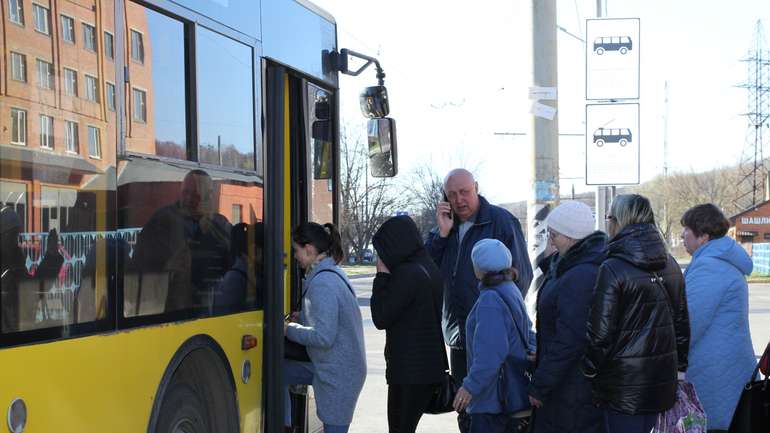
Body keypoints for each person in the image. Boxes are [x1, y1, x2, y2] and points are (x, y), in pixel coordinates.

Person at [425, 168, 531, 433]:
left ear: (477, 188)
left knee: (495, 409)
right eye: (452, 194)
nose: (460, 200)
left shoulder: (501, 221)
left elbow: (522, 276)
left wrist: (496, 315)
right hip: (460, 336)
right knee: (466, 410)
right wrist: (442, 235)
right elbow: (427, 272)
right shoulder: (445, 228)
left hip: (492, 335)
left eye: (465, 192)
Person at [582, 194, 690, 433]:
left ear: (618, 221)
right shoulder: (671, 264)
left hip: (623, 387)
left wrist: (589, 371)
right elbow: (681, 323)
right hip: (662, 382)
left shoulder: (612, 268)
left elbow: (600, 335)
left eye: (609, 217)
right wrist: (680, 368)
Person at [528, 201, 605, 433]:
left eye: (554, 235)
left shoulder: (580, 275)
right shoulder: (571, 266)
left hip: (572, 390)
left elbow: (570, 340)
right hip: (567, 385)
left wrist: (540, 385)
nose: (550, 240)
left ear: (571, 237)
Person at [284, 222, 366, 433]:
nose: (294, 256)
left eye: (296, 250)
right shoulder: (332, 273)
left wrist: (288, 329)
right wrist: (302, 317)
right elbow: (330, 316)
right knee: (278, 371)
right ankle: (284, 425)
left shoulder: (323, 283)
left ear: (309, 249)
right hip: (338, 366)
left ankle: (284, 425)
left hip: (338, 373)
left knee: (335, 428)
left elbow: (323, 337)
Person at [680, 204, 755, 433]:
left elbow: (689, 326)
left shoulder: (709, 267)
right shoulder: (719, 261)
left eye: (687, 230)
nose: (683, 235)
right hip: (726, 369)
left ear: (703, 236)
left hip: (715, 376)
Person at [370, 215, 446, 433]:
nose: (382, 255)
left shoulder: (406, 274)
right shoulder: (428, 267)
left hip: (409, 371)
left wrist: (381, 277)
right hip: (429, 368)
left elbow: (380, 317)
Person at [452, 238, 533, 433]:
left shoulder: (490, 299)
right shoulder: (510, 289)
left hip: (493, 401)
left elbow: (490, 355)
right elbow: (527, 332)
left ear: (478, 268)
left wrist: (469, 387)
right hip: (511, 395)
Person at [132, 169, 231, 312]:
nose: (189, 199)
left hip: (214, 308)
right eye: (186, 192)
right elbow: (140, 266)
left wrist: (209, 227)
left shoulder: (219, 225)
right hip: (172, 307)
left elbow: (234, 260)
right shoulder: (163, 221)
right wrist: (169, 266)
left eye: (196, 195)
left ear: (209, 197)